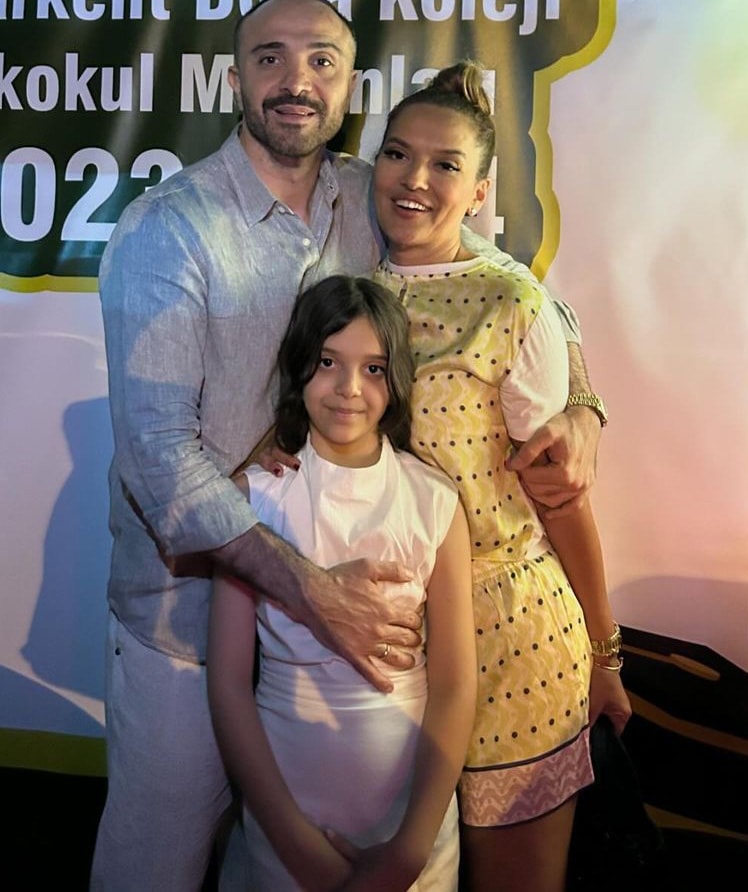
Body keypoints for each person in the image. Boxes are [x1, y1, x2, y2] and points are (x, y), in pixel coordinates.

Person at [91, 1, 606, 888]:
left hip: (344, 646)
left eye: (321, 60)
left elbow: (512, 289)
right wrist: (312, 592)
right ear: (233, 78)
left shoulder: (372, 197)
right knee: (158, 869)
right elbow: (157, 461)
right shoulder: (166, 229)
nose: (297, 81)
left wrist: (583, 404)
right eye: (270, 58)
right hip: (192, 628)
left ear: (349, 85)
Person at [367, 62, 632, 892]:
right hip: (385, 647)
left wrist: (606, 653)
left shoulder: (510, 303)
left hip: (511, 640)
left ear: (480, 191)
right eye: (397, 155)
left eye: (445, 165)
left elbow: (562, 499)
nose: (414, 179)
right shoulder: (350, 292)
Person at [208, 275, 476, 891]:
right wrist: (297, 847)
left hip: (414, 831)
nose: (350, 388)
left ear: (397, 378)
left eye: (374, 368)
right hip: (286, 826)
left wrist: (408, 852)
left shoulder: (434, 500)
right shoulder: (253, 498)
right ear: (299, 364)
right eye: (328, 362)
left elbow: (457, 684)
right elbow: (228, 686)